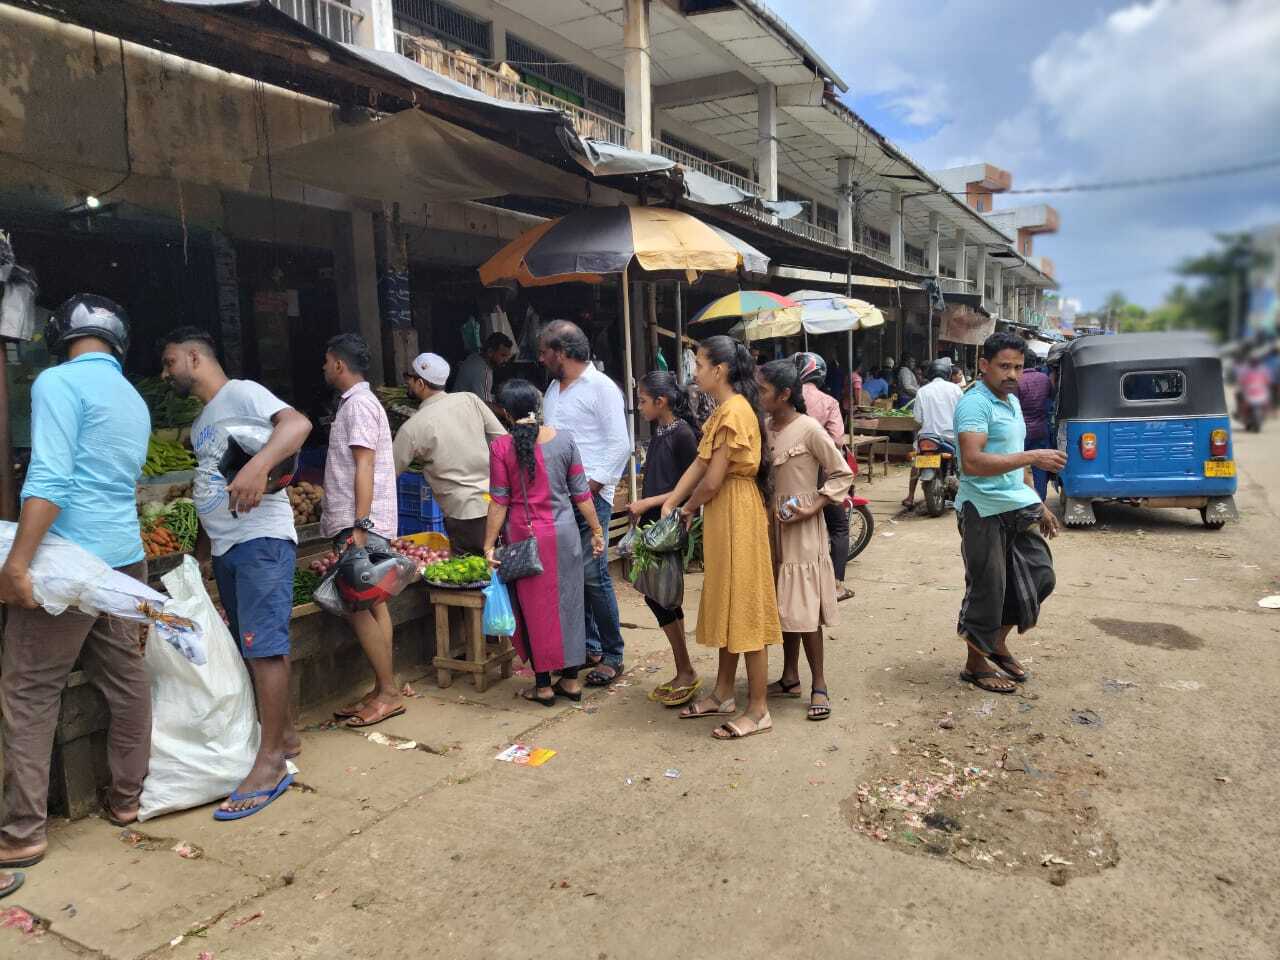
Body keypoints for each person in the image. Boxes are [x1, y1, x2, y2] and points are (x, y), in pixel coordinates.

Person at [0, 295, 149, 876]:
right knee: (127, 679)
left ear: (62, 335)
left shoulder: (56, 383)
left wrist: (18, 564)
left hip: (68, 565)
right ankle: (126, 798)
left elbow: (50, 480)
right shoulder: (132, 397)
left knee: (29, 691)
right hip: (125, 560)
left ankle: (21, 833)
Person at [162, 327, 313, 819]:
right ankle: (284, 737)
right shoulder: (203, 421)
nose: (166, 373)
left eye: (170, 362)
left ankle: (270, 763)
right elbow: (213, 479)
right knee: (253, 646)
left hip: (260, 541)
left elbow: (297, 424)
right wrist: (203, 552)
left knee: (264, 647)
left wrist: (258, 466)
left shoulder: (241, 392)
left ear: (194, 357)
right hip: (228, 548)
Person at [663, 335, 782, 740]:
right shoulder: (724, 410)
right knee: (730, 600)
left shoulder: (734, 411)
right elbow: (700, 464)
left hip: (736, 511)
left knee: (745, 605)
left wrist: (687, 508)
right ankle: (724, 693)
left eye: (698, 365)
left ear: (720, 370)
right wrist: (672, 501)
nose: (694, 372)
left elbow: (712, 480)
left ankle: (759, 710)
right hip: (725, 512)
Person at [953, 332, 1066, 695]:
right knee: (988, 588)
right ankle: (975, 665)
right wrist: (1033, 456)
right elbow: (972, 462)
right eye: (1004, 366)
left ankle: (997, 643)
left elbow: (1019, 464)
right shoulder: (975, 404)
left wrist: (1038, 502)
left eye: (1017, 367)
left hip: (1016, 505)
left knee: (1040, 575)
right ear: (984, 365)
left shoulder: (1012, 402)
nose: (1012, 374)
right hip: (982, 509)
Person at [484, 379, 604, 704]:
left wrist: (488, 545)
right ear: (537, 406)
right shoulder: (564, 440)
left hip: (523, 539)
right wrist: (596, 531)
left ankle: (543, 686)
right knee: (570, 604)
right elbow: (581, 493)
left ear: (505, 412)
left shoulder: (501, 448)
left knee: (534, 610)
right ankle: (571, 681)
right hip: (564, 536)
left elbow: (499, 501)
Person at [759, 358, 853, 722]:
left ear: (784, 394)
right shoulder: (765, 427)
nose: (759, 395)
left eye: (764, 390)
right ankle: (789, 676)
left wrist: (814, 504)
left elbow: (841, 472)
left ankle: (819, 683)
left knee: (806, 607)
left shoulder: (810, 428)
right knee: (785, 604)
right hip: (773, 526)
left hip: (803, 529)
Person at [538, 320, 631, 686]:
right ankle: (590, 646)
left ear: (561, 353)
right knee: (572, 576)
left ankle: (612, 653)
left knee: (594, 574)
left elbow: (620, 445)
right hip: (559, 498)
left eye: (545, 352)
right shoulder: (553, 390)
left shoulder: (602, 388)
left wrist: (586, 490)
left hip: (591, 497)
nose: (541, 359)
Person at [321, 334, 402, 728]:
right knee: (374, 604)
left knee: (356, 607)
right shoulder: (360, 403)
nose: (324, 368)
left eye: (326, 362)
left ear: (339, 364)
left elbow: (364, 465)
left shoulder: (357, 406)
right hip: (367, 522)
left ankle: (388, 693)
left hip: (361, 524)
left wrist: (360, 524)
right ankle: (383, 687)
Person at [627, 371, 701, 707]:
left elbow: (691, 484)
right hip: (652, 525)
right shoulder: (661, 431)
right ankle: (683, 668)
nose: (640, 407)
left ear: (661, 401)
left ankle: (686, 670)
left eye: (643, 401)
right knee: (657, 596)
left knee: (663, 597)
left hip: (667, 527)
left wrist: (649, 503)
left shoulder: (682, 433)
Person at [392, 352, 507, 555]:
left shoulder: (413, 427)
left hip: (464, 515)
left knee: (471, 570)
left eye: (409, 378)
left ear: (420, 383)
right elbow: (504, 441)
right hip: (494, 503)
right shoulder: (470, 400)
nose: (407, 382)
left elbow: (388, 473)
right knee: (499, 564)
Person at [793, 353, 854, 603]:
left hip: (789, 477)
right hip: (821, 475)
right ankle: (837, 585)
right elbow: (837, 440)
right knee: (839, 527)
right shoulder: (828, 402)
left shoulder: (783, 398)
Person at [903, 359, 964, 511]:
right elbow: (963, 415)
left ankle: (910, 496)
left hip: (927, 438)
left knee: (917, 460)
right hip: (951, 438)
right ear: (947, 374)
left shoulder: (922, 391)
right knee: (963, 460)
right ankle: (965, 493)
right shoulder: (956, 390)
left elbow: (917, 419)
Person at [1016, 352, 1055, 500]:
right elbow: (1051, 398)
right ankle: (1040, 500)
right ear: (1034, 362)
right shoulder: (1044, 379)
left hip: (1020, 431)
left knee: (1016, 466)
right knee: (1040, 467)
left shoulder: (1017, 380)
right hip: (1040, 429)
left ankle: (1021, 501)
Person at [454, 332, 513, 404]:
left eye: (508, 356)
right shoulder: (484, 372)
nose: (506, 360)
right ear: (490, 352)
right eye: (503, 355)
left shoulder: (474, 357)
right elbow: (484, 405)